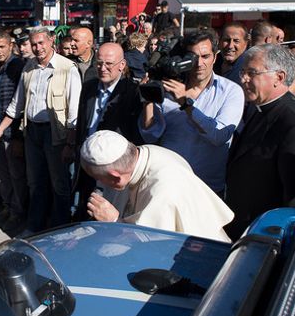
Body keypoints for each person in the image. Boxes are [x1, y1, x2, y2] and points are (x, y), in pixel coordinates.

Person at [224, 44, 295, 240]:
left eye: (252, 73)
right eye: (243, 72)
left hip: (265, 236)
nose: (243, 79)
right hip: (243, 229)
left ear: (279, 77)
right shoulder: (261, 109)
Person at [0, 28, 81, 233]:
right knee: (35, 183)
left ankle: (59, 230)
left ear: (51, 41)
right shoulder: (28, 68)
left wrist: (70, 143)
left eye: (41, 43)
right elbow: (16, 104)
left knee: (59, 184)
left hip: (56, 134)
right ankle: (34, 227)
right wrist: (0, 129)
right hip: (32, 133)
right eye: (34, 44)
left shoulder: (67, 68)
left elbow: (73, 111)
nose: (38, 48)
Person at [139, 30, 244, 197]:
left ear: (215, 58)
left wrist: (186, 104)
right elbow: (150, 135)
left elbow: (219, 136)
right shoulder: (168, 87)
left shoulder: (231, 91)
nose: (199, 63)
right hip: (168, 184)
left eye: (205, 56)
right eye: (193, 57)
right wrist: (148, 100)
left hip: (207, 189)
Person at [80, 130, 232, 241]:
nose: (99, 184)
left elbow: (151, 240)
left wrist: (113, 220)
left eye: (98, 178)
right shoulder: (142, 155)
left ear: (115, 176)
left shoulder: (163, 188)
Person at [74, 43, 143, 220]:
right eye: (99, 63)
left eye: (108, 64)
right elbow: (83, 121)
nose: (102, 68)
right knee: (84, 205)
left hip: (112, 168)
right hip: (87, 161)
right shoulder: (89, 87)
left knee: (104, 212)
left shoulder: (132, 92)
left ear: (122, 64)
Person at [0, 32, 29, 230]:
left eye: (2, 47)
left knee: (16, 175)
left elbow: (20, 104)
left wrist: (18, 136)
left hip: (12, 132)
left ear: (10, 45)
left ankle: (18, 212)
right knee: (0, 172)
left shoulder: (18, 67)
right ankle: (8, 206)